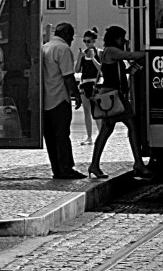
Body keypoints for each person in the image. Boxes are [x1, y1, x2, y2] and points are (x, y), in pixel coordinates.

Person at [88, 25, 151, 181]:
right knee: (130, 126)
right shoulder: (111, 51)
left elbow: (125, 71)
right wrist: (150, 52)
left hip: (114, 95)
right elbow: (131, 55)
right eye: (123, 38)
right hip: (113, 96)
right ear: (116, 38)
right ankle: (137, 162)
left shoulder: (110, 52)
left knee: (108, 130)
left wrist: (134, 68)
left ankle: (95, 164)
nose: (124, 41)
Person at [42, 22, 84, 179]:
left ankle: (57, 169)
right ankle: (66, 168)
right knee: (62, 135)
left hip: (45, 100)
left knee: (51, 137)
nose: (72, 40)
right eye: (72, 37)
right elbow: (68, 76)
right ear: (66, 34)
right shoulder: (63, 49)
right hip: (59, 99)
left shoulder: (45, 47)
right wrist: (76, 95)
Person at [75, 27, 102, 145]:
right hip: (85, 83)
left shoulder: (99, 52)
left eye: (89, 41)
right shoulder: (83, 53)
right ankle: (89, 136)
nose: (87, 43)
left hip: (96, 84)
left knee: (98, 110)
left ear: (94, 41)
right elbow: (76, 70)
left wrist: (92, 59)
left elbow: (101, 69)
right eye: (85, 41)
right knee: (87, 111)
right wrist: (80, 58)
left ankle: (101, 135)